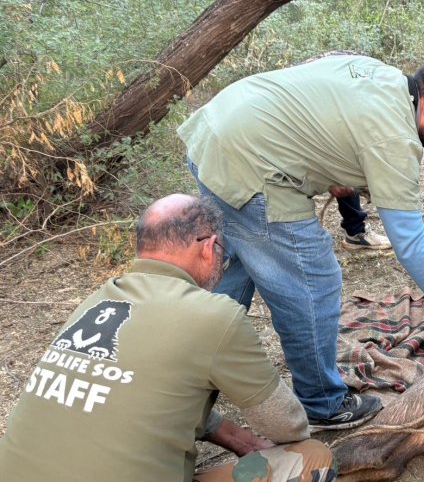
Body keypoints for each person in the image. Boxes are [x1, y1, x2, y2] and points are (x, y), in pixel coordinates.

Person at [178, 53, 424, 431]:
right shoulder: (395, 137)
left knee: (240, 264)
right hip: (251, 163)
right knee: (313, 279)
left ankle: (186, 374)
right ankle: (322, 403)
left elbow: (322, 108)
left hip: (214, 132)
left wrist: (329, 167)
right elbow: (410, 245)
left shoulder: (384, 77)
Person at [0, 194, 334, 481]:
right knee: (313, 456)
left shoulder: (97, 301)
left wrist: (235, 438)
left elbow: (123, 388)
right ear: (210, 247)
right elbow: (286, 426)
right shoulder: (215, 315)